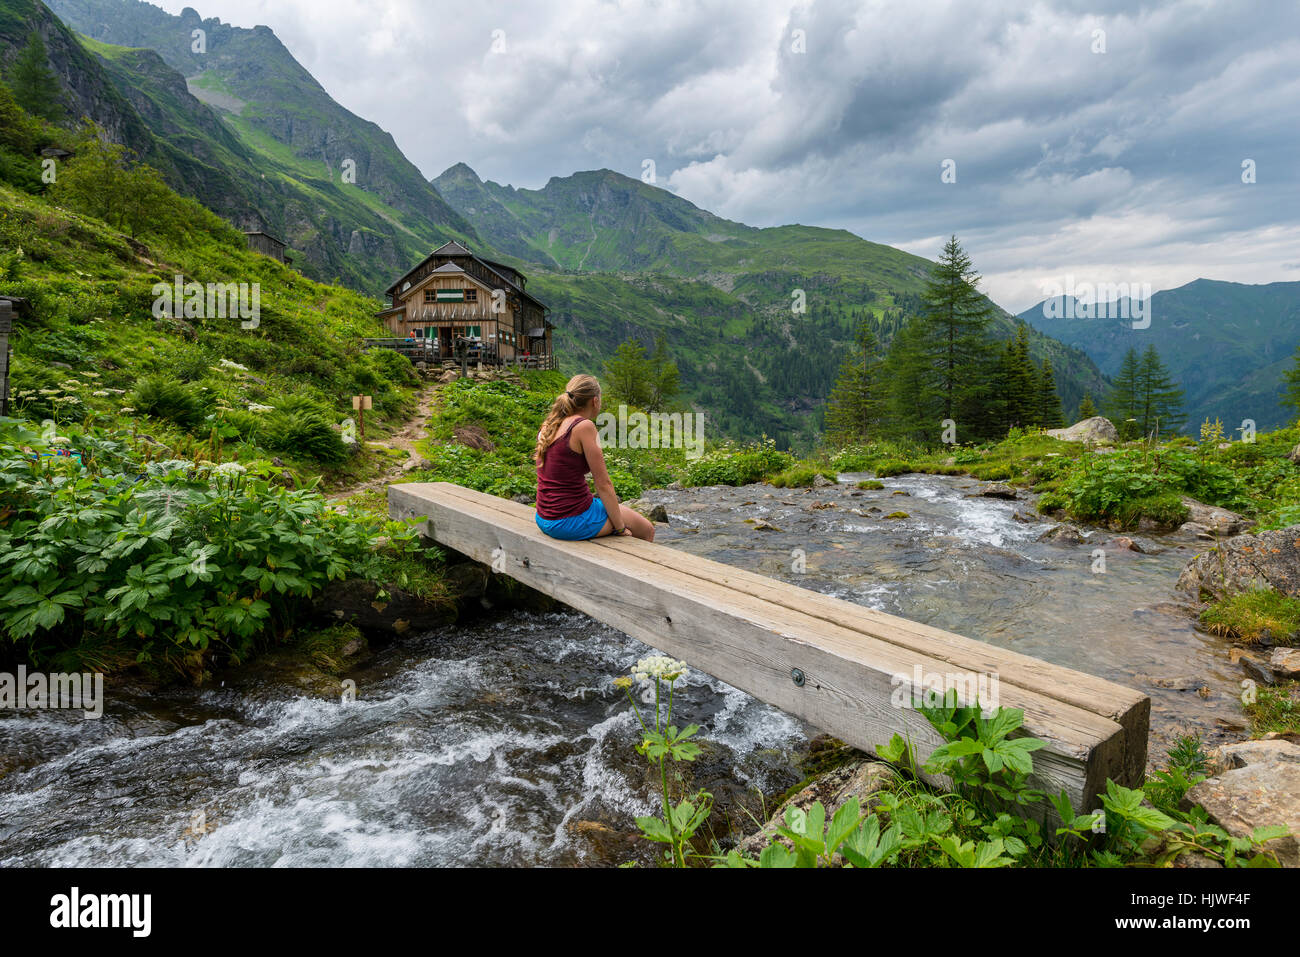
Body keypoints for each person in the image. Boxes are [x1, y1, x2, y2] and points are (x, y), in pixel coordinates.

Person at [534, 374, 655, 542]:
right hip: (569, 521)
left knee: (608, 510)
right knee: (647, 530)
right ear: (595, 401)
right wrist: (620, 528)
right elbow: (603, 484)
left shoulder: (549, 424)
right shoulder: (584, 427)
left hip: (544, 517)